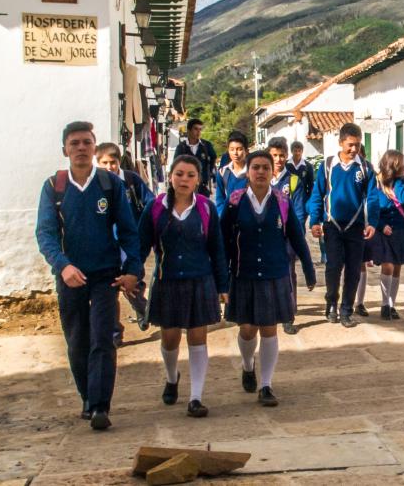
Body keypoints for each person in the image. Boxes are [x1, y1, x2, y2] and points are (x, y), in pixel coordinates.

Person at [35, 121, 142, 431]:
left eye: (86, 142)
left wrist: (133, 269)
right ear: (65, 150)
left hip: (105, 275)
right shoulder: (54, 186)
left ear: (94, 148)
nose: (81, 148)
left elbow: (128, 230)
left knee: (102, 338)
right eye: (74, 143)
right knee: (77, 339)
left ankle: (99, 405)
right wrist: (62, 265)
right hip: (70, 276)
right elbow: (46, 233)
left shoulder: (110, 185)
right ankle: (86, 395)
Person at [222, 150, 317, 406]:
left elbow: (297, 237)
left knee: (269, 329)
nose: (261, 172)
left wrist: (309, 269)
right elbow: (223, 240)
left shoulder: (281, 202)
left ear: (272, 171)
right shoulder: (235, 202)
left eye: (265, 167)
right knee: (247, 329)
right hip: (244, 274)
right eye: (256, 167)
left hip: (274, 274)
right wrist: (222, 276)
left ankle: (266, 385)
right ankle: (247, 364)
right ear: (248, 172)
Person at [138, 155, 226, 417]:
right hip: (168, 281)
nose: (184, 179)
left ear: (198, 179)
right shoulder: (154, 208)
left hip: (200, 280)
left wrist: (223, 286)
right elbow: (141, 246)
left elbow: (217, 250)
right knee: (170, 337)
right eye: (179, 174)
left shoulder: (206, 209)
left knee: (198, 337)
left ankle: (196, 397)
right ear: (171, 176)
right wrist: (133, 275)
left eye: (190, 175)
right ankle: (171, 377)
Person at [307, 123, 375, 327]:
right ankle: (331, 304)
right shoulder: (328, 166)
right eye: (350, 145)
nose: (354, 149)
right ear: (341, 143)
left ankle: (347, 310)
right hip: (332, 226)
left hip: (355, 227)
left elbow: (372, 197)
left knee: (354, 270)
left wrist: (372, 222)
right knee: (333, 267)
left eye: (357, 145)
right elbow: (318, 194)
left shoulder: (365, 167)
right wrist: (315, 220)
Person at [97, 142, 155, 346]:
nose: (109, 167)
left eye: (112, 163)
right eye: (104, 163)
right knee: (111, 287)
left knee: (132, 282)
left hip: (132, 243)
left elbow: (150, 202)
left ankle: (142, 308)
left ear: (118, 162)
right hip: (107, 244)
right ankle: (115, 333)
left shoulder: (131, 180)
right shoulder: (96, 184)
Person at [368, 150, 404, 320]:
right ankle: (384, 304)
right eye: (401, 163)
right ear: (394, 164)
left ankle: (392, 304)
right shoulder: (376, 182)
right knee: (387, 265)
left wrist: (402, 178)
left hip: (400, 229)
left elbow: (403, 199)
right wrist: (381, 226)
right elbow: (372, 207)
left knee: (397, 267)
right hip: (384, 230)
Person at [268, 137, 309, 334]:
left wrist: (297, 237)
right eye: (274, 155)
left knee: (288, 274)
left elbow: (299, 212)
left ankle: (288, 314)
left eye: (282, 155)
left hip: (286, 236)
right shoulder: (261, 178)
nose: (278, 159)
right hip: (266, 236)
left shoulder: (293, 181)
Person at [174, 119, 217, 197]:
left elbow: (213, 159)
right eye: (196, 129)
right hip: (186, 185)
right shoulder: (181, 147)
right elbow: (175, 165)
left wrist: (209, 174)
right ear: (189, 130)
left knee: (202, 208)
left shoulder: (206, 145)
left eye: (200, 129)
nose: (199, 132)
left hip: (202, 186)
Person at [213, 130, 250, 217]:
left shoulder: (252, 172)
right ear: (228, 151)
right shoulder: (223, 173)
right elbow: (220, 200)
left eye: (239, 149)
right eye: (232, 149)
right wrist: (223, 216)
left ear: (246, 151)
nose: (235, 153)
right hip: (229, 220)